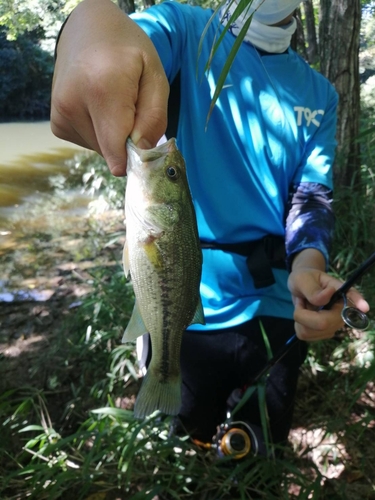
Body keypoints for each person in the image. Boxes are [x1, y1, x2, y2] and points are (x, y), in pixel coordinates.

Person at [51, 0, 369, 453]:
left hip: (278, 304)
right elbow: (122, 43)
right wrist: (88, 21)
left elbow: (310, 197)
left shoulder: (320, 93)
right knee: (188, 436)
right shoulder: (183, 30)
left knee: (260, 442)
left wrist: (309, 266)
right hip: (188, 311)